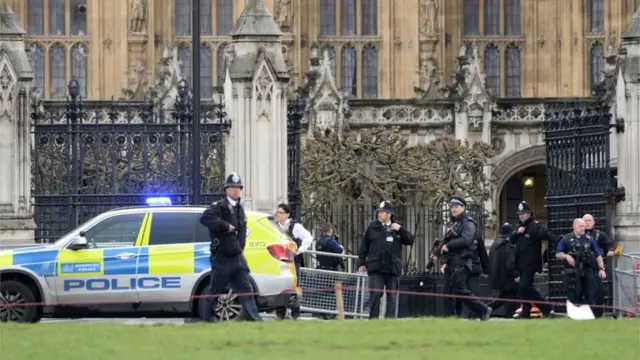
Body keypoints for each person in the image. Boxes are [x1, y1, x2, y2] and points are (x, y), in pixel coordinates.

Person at [199, 172, 263, 322]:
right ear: (226, 189)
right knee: (215, 289)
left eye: (238, 187)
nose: (235, 190)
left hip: (237, 257)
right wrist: (224, 225)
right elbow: (205, 218)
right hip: (222, 258)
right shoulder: (218, 207)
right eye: (232, 187)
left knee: (246, 289)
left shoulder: (240, 208)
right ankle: (208, 319)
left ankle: (255, 320)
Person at [436, 196, 492, 320]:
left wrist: (448, 246)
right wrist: (438, 254)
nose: (453, 209)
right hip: (452, 262)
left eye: (456, 206)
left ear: (463, 207)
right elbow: (445, 242)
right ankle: (450, 318)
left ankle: (482, 310)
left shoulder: (468, 223)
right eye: (452, 207)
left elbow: (466, 240)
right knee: (448, 293)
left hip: (460, 262)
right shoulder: (455, 223)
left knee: (460, 291)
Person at [358, 201, 414, 319]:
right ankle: (373, 320)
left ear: (389, 214)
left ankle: (390, 321)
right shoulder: (372, 228)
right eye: (379, 212)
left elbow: (410, 240)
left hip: (392, 267)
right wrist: (362, 262)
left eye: (382, 212)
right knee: (375, 293)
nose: (379, 214)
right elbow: (364, 246)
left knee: (392, 296)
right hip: (376, 267)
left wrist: (401, 230)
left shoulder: (396, 228)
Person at [508, 201, 557, 319]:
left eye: (523, 213)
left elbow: (545, 234)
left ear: (529, 213)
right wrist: (517, 232)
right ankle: (525, 311)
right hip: (520, 262)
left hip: (530, 262)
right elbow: (511, 239)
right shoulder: (520, 226)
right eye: (520, 214)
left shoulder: (534, 225)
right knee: (524, 288)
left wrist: (558, 240)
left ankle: (546, 307)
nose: (521, 216)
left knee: (525, 287)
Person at [556, 218, 607, 307]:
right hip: (573, 271)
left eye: (584, 226)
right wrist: (567, 256)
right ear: (574, 227)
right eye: (580, 226)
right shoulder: (567, 239)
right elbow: (558, 253)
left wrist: (601, 269)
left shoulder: (589, 239)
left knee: (591, 293)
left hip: (587, 269)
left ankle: (592, 314)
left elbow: (598, 254)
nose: (583, 228)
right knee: (574, 293)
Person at [274, 203, 313, 320]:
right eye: (278, 212)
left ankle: (295, 312)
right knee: (278, 285)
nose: (278, 215)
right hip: (278, 260)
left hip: (292, 261)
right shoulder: (274, 226)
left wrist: (300, 250)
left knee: (293, 286)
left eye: (281, 213)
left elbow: (308, 237)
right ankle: (280, 312)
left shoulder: (295, 226)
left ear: (287, 214)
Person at [582, 214, 615, 318]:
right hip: (582, 268)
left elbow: (609, 244)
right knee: (587, 292)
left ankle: (597, 314)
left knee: (599, 292)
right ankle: (590, 314)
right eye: (585, 220)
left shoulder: (599, 235)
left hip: (597, 268)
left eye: (589, 220)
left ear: (593, 222)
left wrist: (610, 251)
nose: (587, 222)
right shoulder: (578, 235)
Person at [486, 223, 520, 318]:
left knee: (502, 299)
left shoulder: (495, 244)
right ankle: (511, 315)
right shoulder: (508, 245)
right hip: (508, 279)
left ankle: (483, 309)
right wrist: (516, 275)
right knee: (511, 299)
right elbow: (510, 265)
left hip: (498, 278)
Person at [455, 232, 489, 318]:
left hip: (472, 268)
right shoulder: (458, 236)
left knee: (473, 292)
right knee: (459, 292)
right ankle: (457, 313)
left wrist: (486, 270)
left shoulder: (476, 237)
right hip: (461, 268)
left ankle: (474, 314)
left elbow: (482, 253)